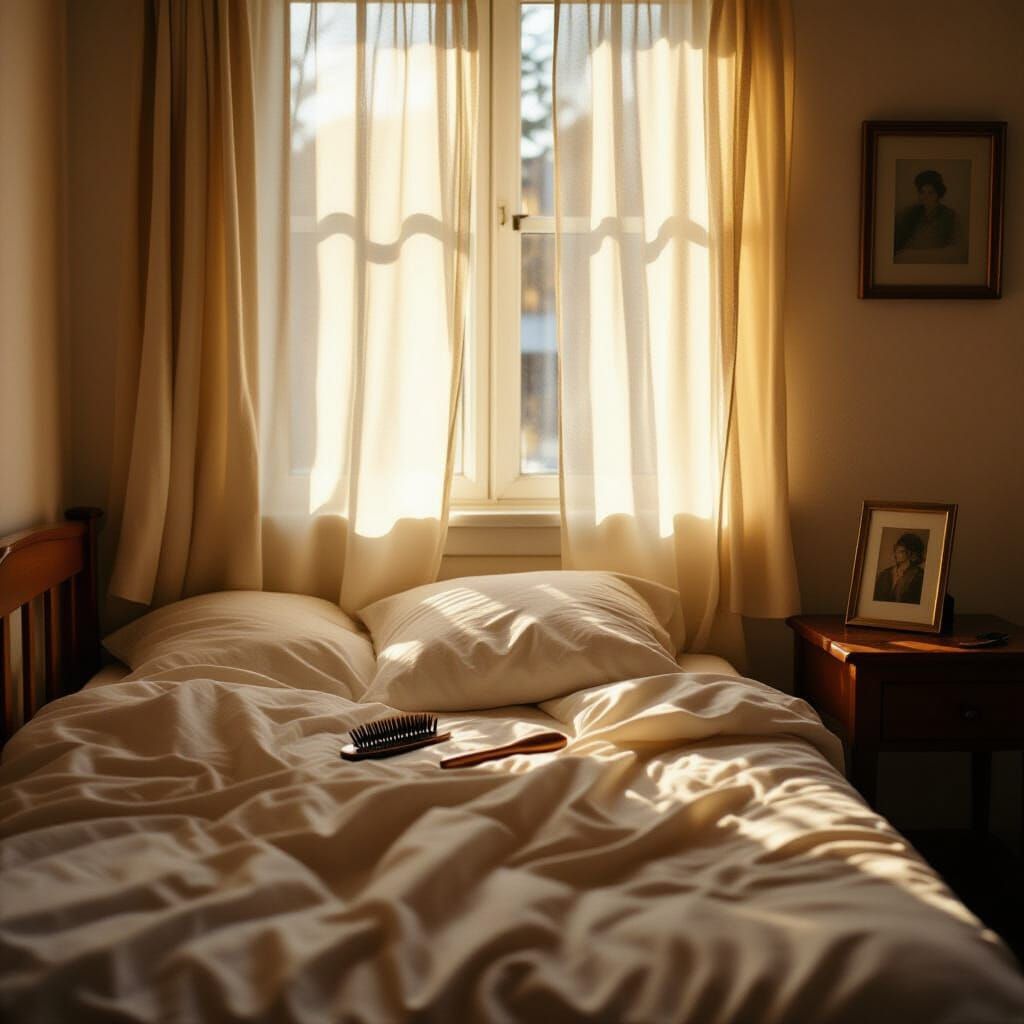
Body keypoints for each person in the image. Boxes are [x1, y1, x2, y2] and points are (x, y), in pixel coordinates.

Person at [893, 169, 963, 259]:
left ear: (938, 194)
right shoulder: (909, 213)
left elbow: (956, 248)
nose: (925, 197)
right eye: (922, 192)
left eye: (930, 193)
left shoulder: (949, 215)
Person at [873, 533, 926, 604]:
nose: (895, 554)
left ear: (911, 554)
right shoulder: (885, 574)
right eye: (896, 550)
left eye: (901, 551)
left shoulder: (919, 576)